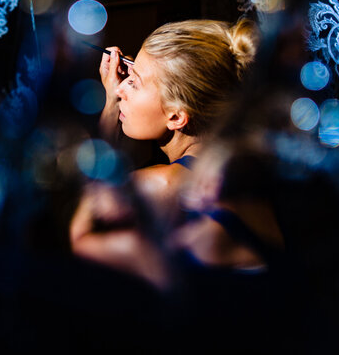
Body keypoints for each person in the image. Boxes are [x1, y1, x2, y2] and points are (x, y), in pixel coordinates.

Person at [96, 17, 259, 227]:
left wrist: (110, 105)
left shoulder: (161, 186)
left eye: (135, 83)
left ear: (176, 117)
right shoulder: (241, 163)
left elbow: (80, 222)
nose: (119, 89)